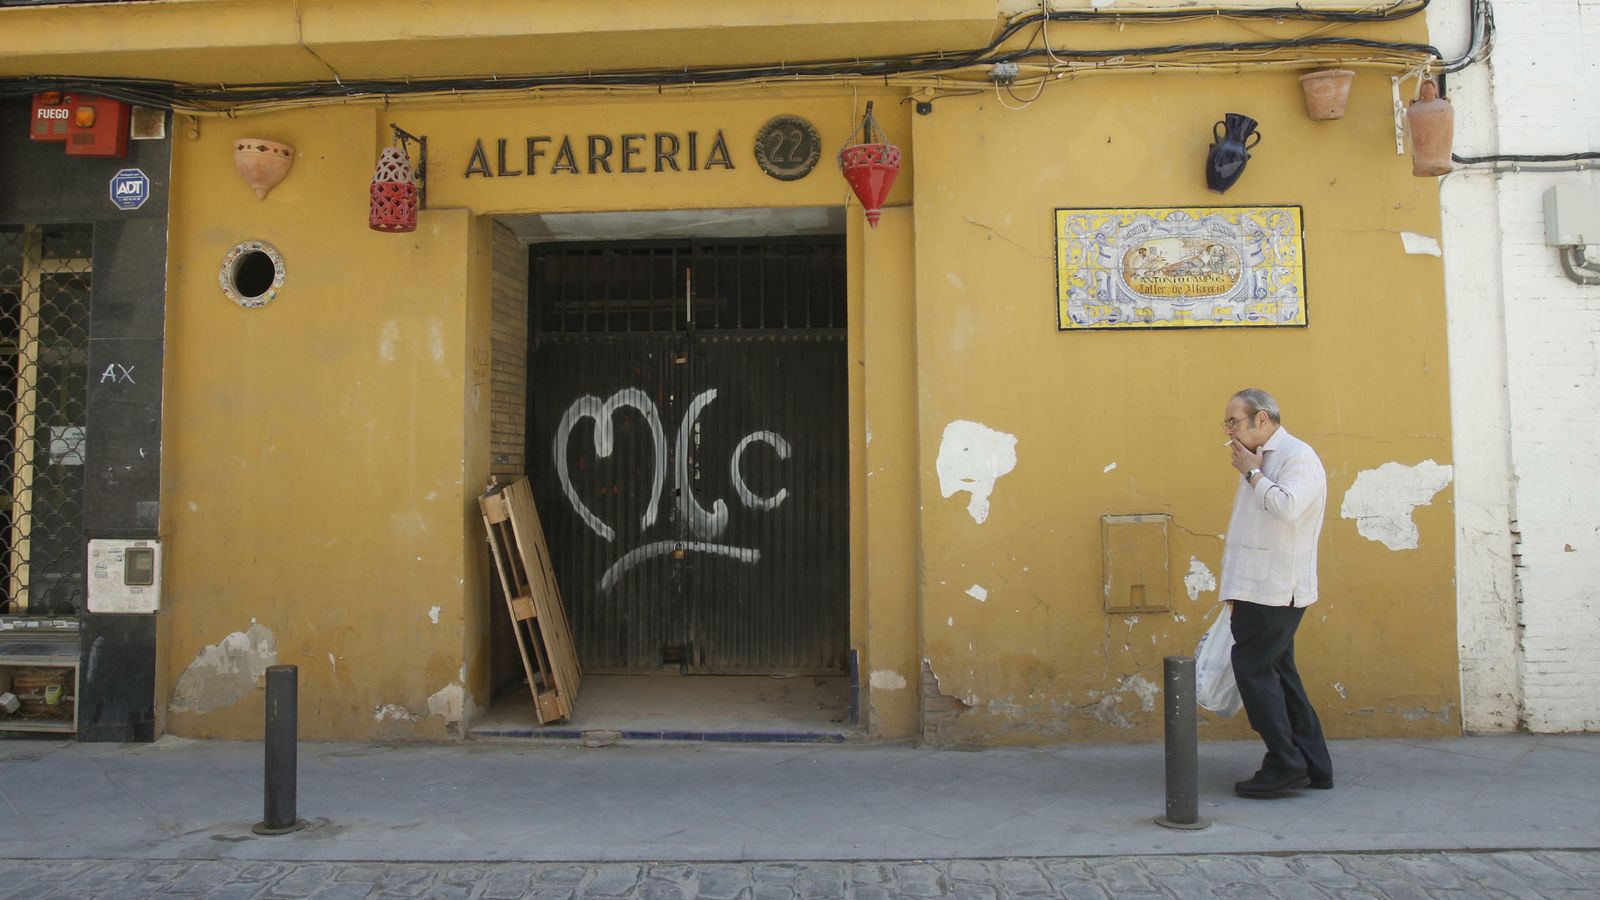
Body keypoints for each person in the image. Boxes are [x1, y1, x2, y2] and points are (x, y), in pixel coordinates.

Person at [1219, 388, 1333, 798]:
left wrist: (1252, 474)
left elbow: (1287, 507)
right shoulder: (1265, 459)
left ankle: (1284, 763)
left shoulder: (1296, 457)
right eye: (1227, 423)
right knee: (1280, 673)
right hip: (1258, 586)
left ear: (1262, 419)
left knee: (1253, 671)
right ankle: (1313, 763)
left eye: (1234, 421)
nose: (1228, 430)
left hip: (1274, 588)